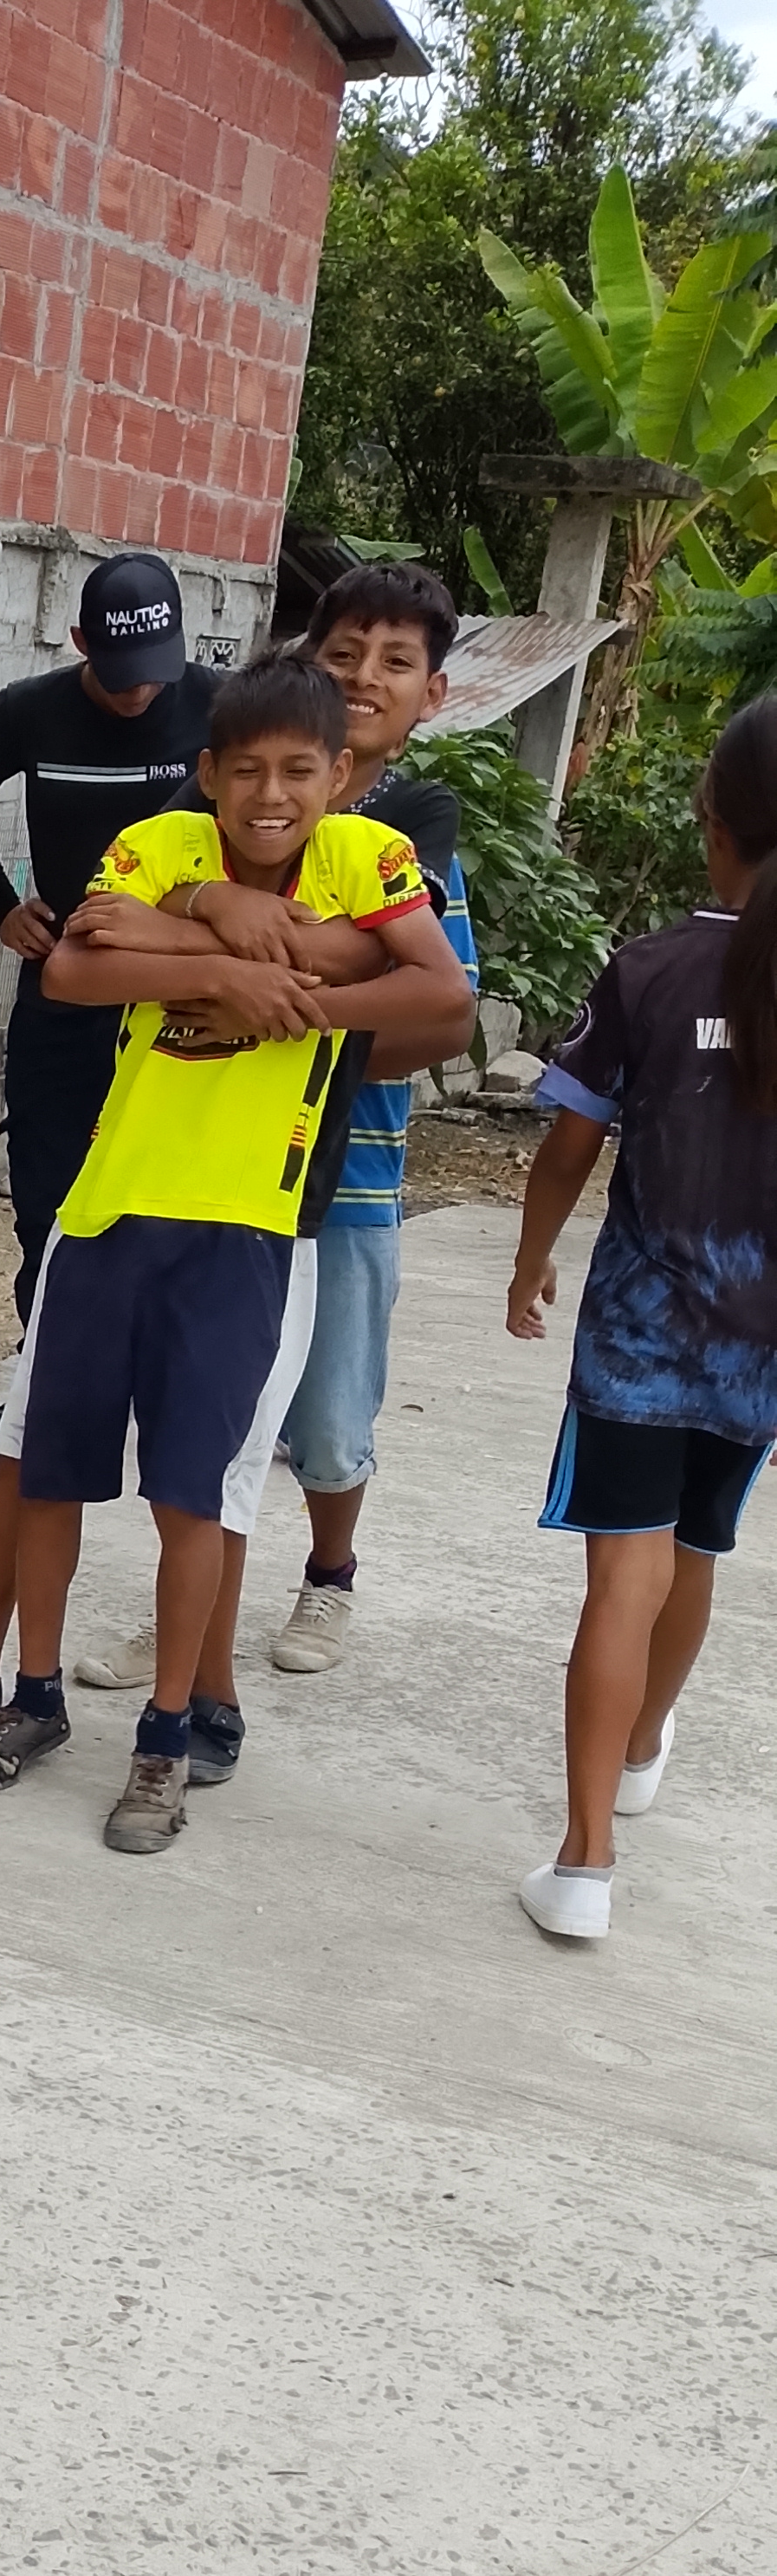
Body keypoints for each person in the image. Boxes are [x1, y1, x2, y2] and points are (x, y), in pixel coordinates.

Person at [0, 655, 474, 1854]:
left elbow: (442, 997)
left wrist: (295, 998)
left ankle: (165, 1737)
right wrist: (221, 954)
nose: (272, 795)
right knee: (53, 1472)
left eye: (299, 772)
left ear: (338, 778)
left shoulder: (368, 859)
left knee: (193, 1498)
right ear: (209, 772)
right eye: (247, 771)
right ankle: (36, 1697)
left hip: (245, 1227)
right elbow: (74, 966)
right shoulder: (161, 841)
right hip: (108, 1208)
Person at [73, 562, 480, 1703]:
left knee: (332, 1416)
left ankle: (330, 1573)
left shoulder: (411, 832)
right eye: (344, 652)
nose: (365, 676)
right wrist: (212, 908)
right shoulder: (225, 809)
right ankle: (188, 1629)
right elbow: (116, 929)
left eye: (396, 662)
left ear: (432, 694)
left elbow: (432, 1008)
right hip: (211, 1165)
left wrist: (277, 1011)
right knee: (217, 1422)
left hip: (347, 1171)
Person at [506, 692, 777, 1941]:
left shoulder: (653, 969)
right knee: (699, 1551)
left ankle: (584, 1864)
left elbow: (569, 1144)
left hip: (639, 1337)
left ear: (712, 821)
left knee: (627, 1569)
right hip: (760, 1349)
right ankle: (648, 1741)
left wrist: (532, 1260)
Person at [0, 555, 223, 1418]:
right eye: (122, 673)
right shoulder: (31, 710)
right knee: (48, 1194)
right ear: (80, 642)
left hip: (173, 996)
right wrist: (2, 907)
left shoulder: (221, 706)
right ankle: (47, 1391)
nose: (141, 692)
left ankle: (159, 1388)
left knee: (163, 1197)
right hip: (64, 987)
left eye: (156, 672)